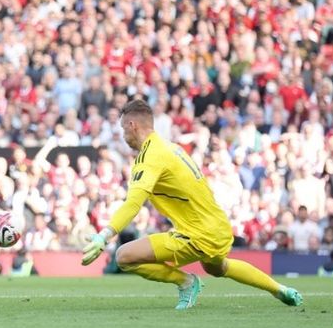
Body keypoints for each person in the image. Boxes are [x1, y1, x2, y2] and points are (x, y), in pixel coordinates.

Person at [81, 99, 303, 310]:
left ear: (132, 125)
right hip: (217, 227)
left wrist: (105, 235)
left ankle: (186, 282)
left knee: (124, 256)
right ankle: (280, 290)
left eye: (123, 129)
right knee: (219, 268)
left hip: (197, 233)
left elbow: (133, 204)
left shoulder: (151, 156)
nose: (122, 135)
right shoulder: (171, 147)